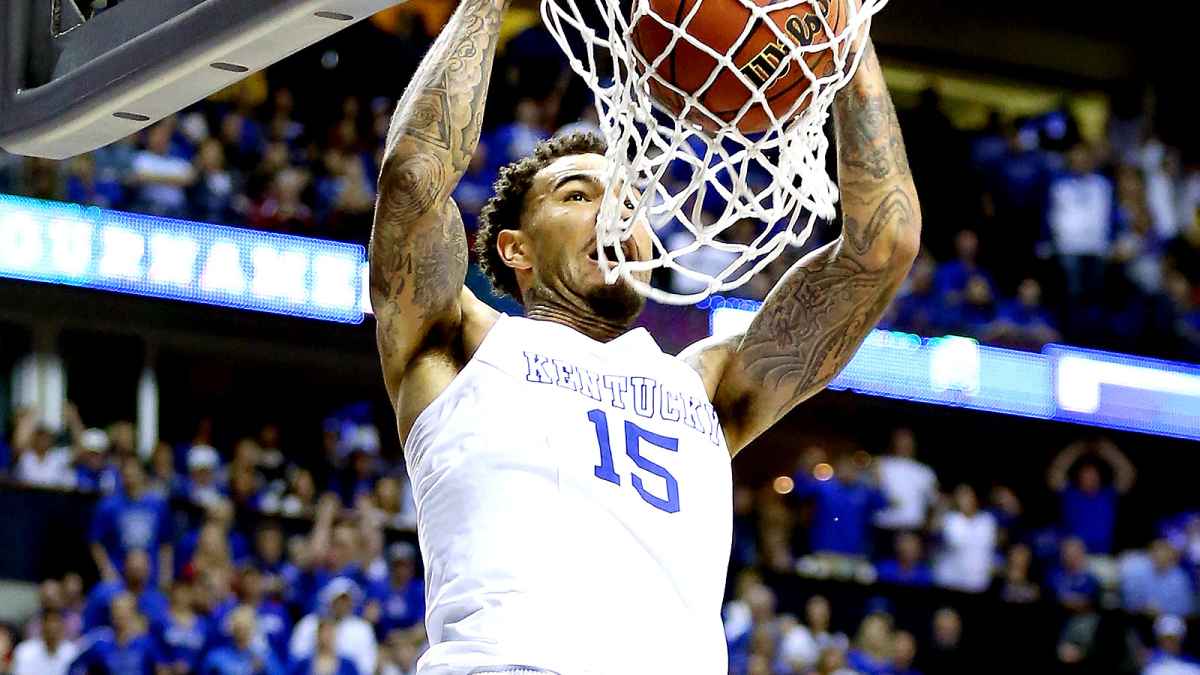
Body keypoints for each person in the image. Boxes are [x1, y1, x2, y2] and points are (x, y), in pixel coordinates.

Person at [367, 0, 919, 668]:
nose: (612, 214)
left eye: (628, 200)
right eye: (577, 195)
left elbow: (883, 247)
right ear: (515, 248)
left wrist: (845, 32)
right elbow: (413, 180)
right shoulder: (457, 343)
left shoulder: (708, 386)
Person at [89, 458, 173, 585]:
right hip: (118, 577)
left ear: (143, 474)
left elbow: (166, 544)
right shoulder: (108, 506)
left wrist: (166, 575)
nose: (130, 477)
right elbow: (95, 542)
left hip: (151, 578)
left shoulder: (158, 504)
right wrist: (106, 570)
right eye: (126, 473)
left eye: (133, 472)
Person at [1047, 438, 1136, 555]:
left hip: (1100, 556)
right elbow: (1055, 473)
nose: (1090, 478)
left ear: (1099, 478)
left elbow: (1127, 473)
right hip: (1074, 555)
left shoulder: (1107, 495)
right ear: (1079, 478)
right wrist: (1076, 450)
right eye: (1086, 475)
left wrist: (1108, 451)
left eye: (1093, 475)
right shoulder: (1071, 495)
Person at [793, 453, 889, 558]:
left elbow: (882, 504)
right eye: (843, 467)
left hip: (855, 553)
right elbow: (799, 490)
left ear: (856, 470)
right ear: (837, 469)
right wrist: (804, 467)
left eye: (850, 468)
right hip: (824, 549)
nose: (846, 471)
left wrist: (878, 482)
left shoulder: (864, 491)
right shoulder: (824, 487)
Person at [289, 578, 376, 675]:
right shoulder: (309, 623)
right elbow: (296, 656)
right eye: (338, 600)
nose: (342, 605)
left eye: (346, 600)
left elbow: (367, 665)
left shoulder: (362, 628)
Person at [70, 593, 161, 675]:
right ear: (110, 614)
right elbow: (78, 667)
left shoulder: (146, 644)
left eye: (124, 611)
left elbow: (161, 669)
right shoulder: (100, 645)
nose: (119, 614)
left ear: (132, 614)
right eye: (116, 610)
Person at [874, 428, 938, 536]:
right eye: (900, 440)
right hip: (884, 528)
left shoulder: (925, 471)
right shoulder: (881, 464)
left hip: (912, 530)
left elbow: (933, 502)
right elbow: (872, 492)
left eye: (907, 440)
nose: (903, 444)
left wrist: (930, 524)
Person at [933, 484, 997, 593]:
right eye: (958, 496)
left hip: (977, 581)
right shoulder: (949, 518)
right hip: (950, 579)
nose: (962, 500)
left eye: (966, 495)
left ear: (974, 497)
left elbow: (989, 547)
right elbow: (944, 538)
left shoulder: (987, 519)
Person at [201, 605, 284, 675]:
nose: (243, 632)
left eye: (247, 627)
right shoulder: (217, 657)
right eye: (239, 627)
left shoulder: (264, 656)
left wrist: (265, 667)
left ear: (254, 628)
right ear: (231, 628)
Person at [10, 608, 77, 675]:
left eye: (56, 622)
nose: (52, 627)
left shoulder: (72, 652)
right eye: (49, 622)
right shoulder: (25, 651)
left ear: (63, 626)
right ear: (41, 625)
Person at [287, 619, 359, 675]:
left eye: (330, 633)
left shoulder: (348, 665)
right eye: (324, 633)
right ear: (318, 636)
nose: (327, 637)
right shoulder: (303, 663)